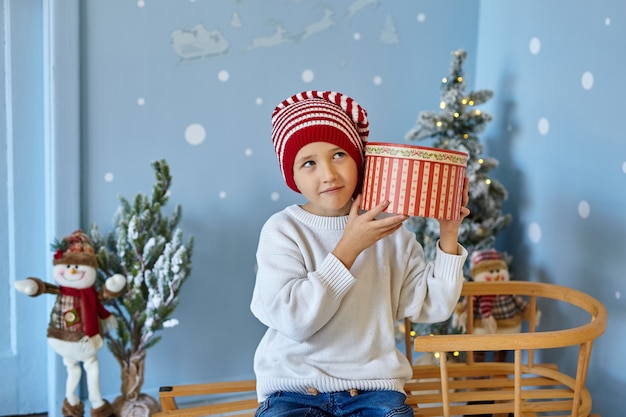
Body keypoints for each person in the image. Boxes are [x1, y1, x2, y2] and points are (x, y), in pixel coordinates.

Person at [250, 90, 470, 417]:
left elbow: (432, 306)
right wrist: (348, 249)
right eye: (308, 163)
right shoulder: (282, 230)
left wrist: (449, 234)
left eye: (339, 154)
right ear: (292, 177)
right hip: (294, 390)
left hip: (373, 392)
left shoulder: (390, 231)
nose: (328, 174)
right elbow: (293, 321)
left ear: (359, 160)